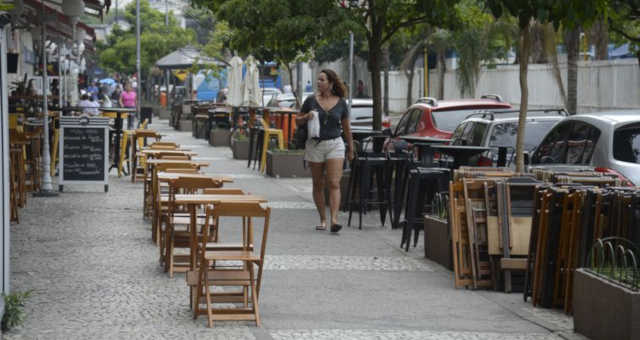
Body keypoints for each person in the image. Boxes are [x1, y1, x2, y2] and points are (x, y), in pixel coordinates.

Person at [295, 69, 354, 233]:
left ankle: (334, 219)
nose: (318, 82)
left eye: (322, 80)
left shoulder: (341, 103)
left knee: (334, 183)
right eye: (318, 80)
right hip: (315, 145)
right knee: (318, 183)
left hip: (335, 144)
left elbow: (347, 128)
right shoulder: (311, 100)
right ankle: (322, 218)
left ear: (331, 82)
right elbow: (297, 121)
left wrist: (351, 148)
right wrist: (306, 117)